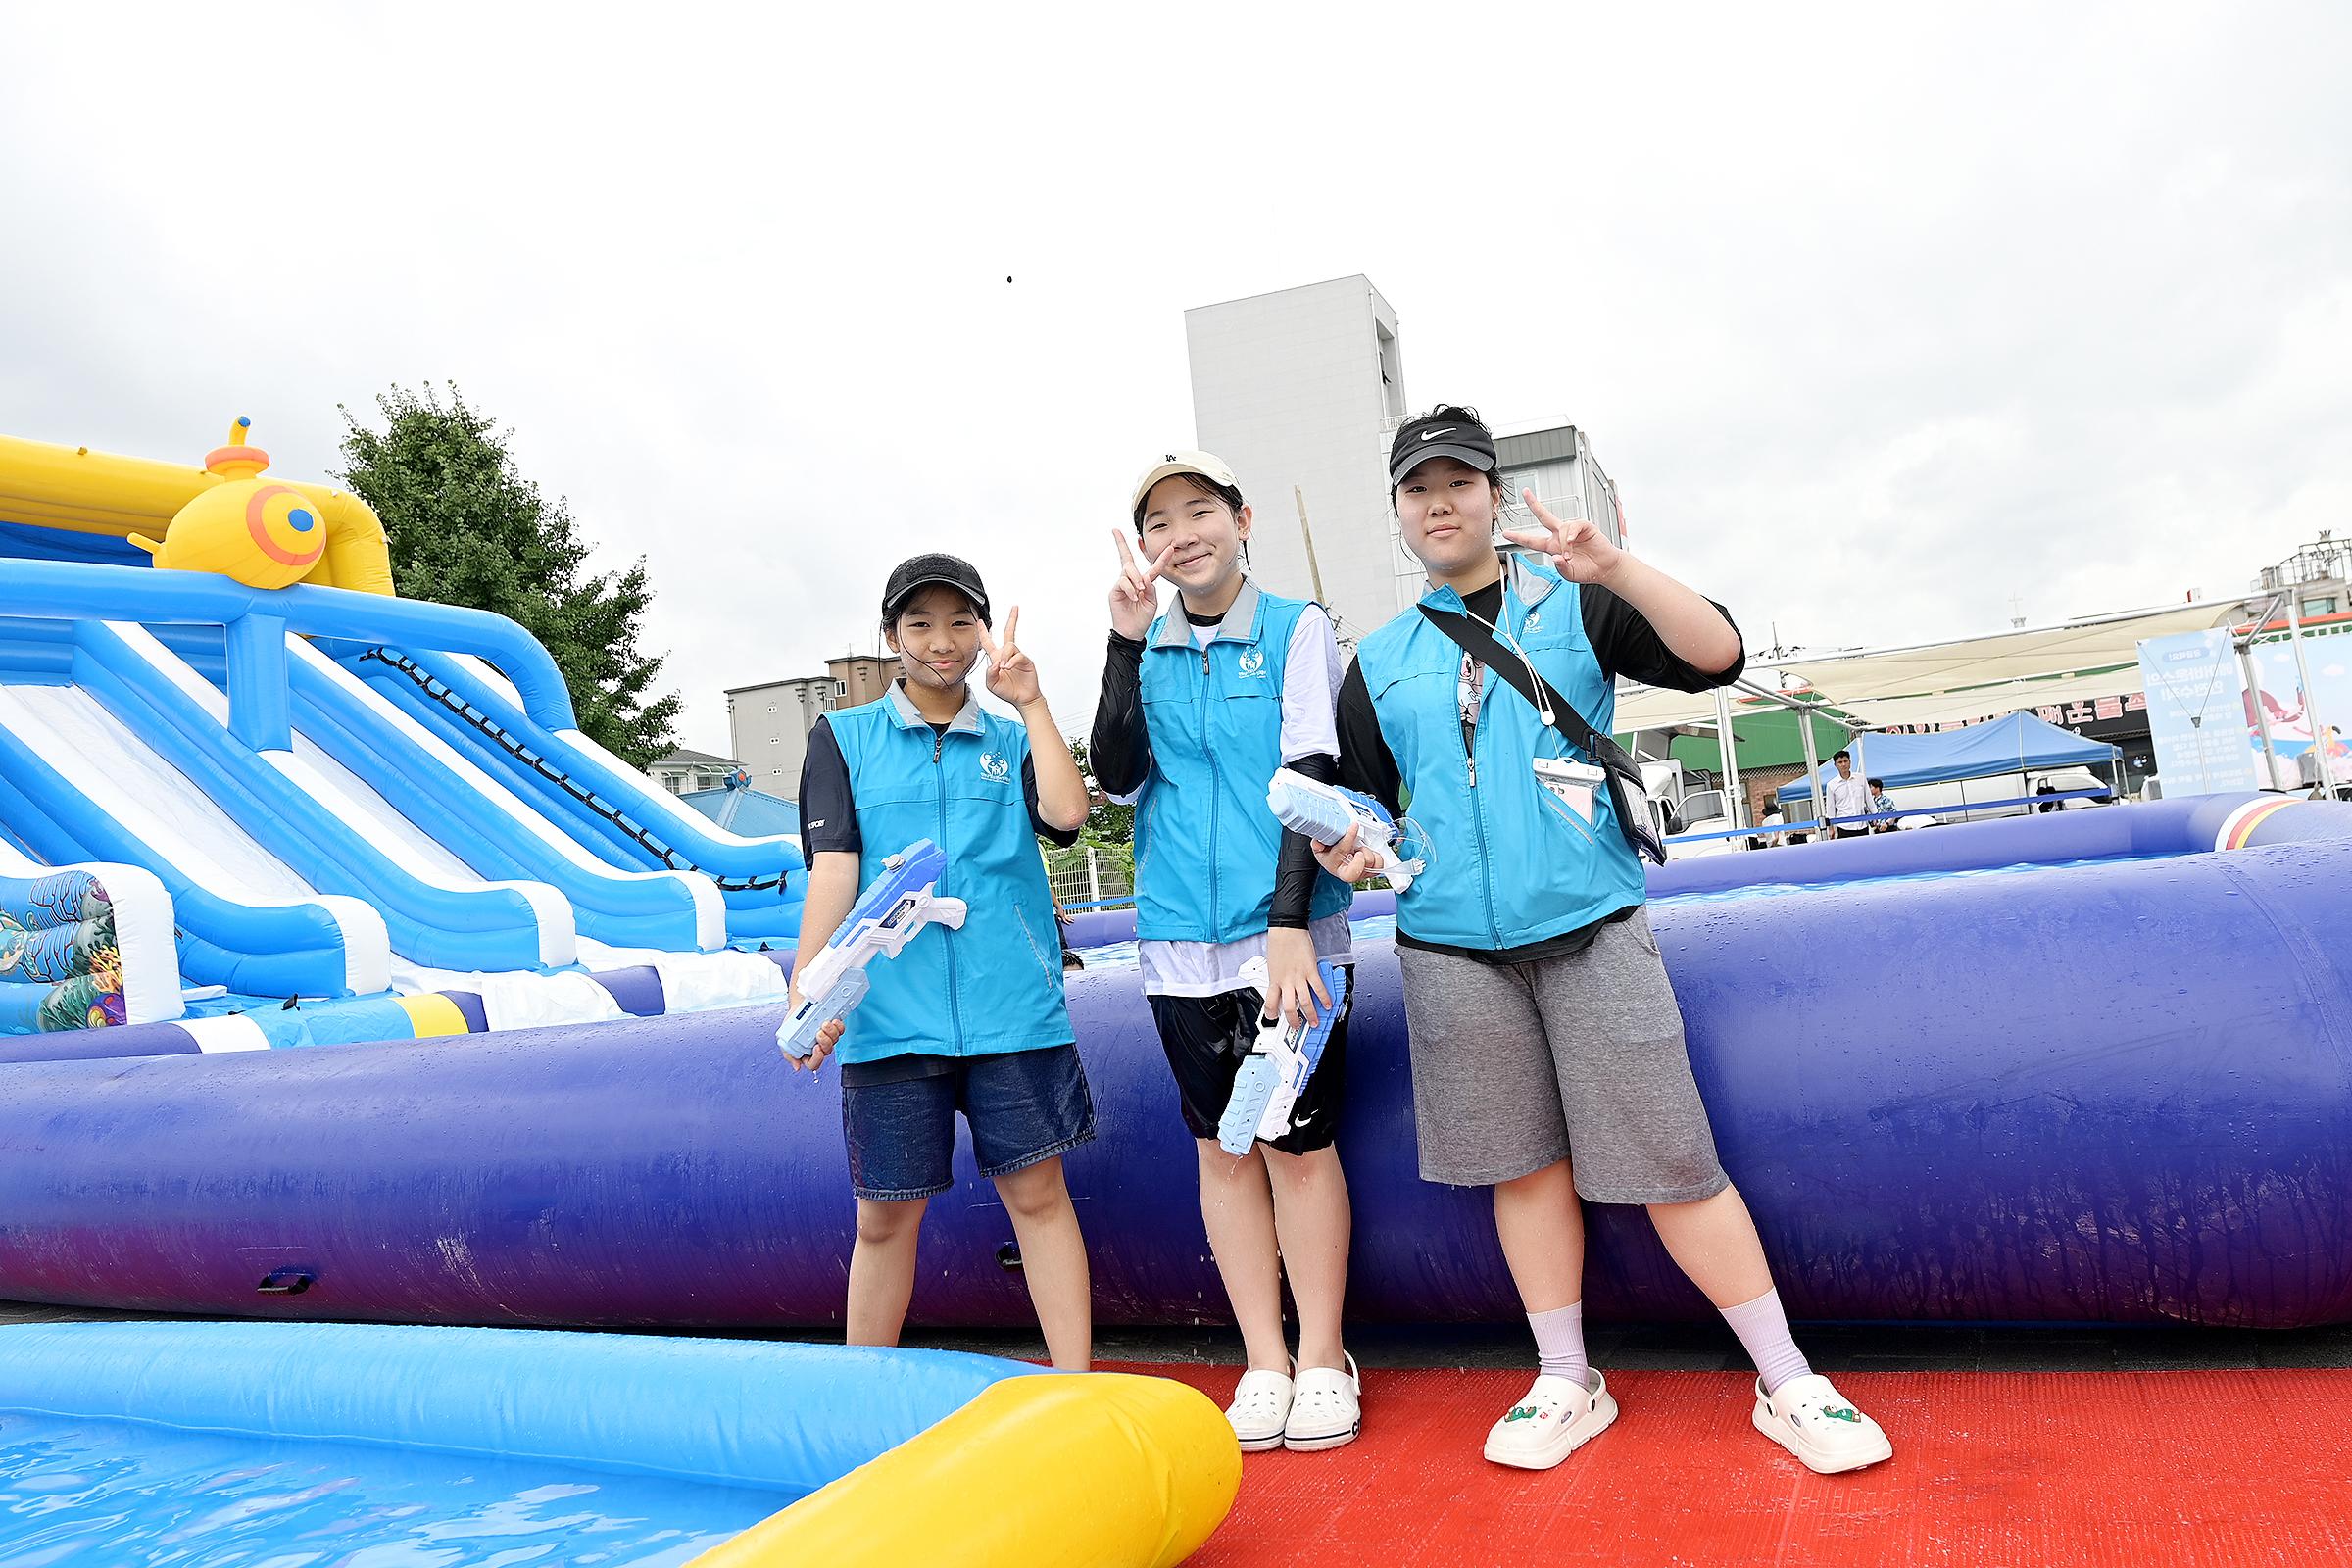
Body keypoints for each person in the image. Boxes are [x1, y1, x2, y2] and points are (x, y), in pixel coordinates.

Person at [1317, 404, 1891, 1476]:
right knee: (1522, 1170)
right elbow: (1364, 804)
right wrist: (1359, 846)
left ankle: (1788, 1376)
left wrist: (1617, 566)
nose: (1440, 501)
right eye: (1417, 488)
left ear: (1492, 493)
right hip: (1448, 947)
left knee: (1674, 1162)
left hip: (1591, 925)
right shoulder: (1380, 659)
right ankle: (1566, 1375)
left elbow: (1717, 653)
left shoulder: (1577, 601)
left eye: (1460, 481)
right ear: (1398, 512)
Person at [1090, 450, 1364, 1452]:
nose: (1182, 533)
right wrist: (1122, 645)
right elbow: (1114, 776)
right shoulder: (1145, 646)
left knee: (1298, 1145)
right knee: (1221, 1146)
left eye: (1199, 510)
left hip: (1283, 938)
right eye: (1160, 522)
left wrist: (1290, 924)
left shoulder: (1297, 630)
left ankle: (1326, 1353)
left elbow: (1310, 773)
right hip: (1175, 945)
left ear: (1242, 518)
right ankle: (1264, 1357)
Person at [790, 554, 1097, 1370]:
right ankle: (861, 1399)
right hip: (890, 1016)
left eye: (961, 621)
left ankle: (1076, 1387)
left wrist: (1031, 702)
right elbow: (834, 873)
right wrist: (808, 991)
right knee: (884, 1215)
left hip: (1013, 1012)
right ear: (889, 636)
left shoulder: (1009, 733)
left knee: (1039, 1197)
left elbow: (1067, 816)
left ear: (984, 630)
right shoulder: (843, 740)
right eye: (919, 623)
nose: (942, 641)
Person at [1822, 751, 1872, 839]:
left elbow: (1869, 800)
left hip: (1862, 825)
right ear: (1835, 765)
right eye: (1840, 762)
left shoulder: (1861, 778)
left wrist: (1875, 817)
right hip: (1844, 827)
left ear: (1850, 762)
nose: (1844, 764)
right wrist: (1831, 829)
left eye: (1846, 761)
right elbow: (1830, 809)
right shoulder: (1831, 785)